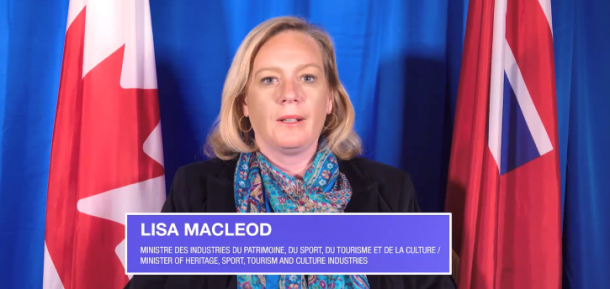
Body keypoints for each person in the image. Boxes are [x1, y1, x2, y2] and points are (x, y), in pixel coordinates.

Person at [125, 16, 455, 289]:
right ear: (244, 103)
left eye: (307, 78)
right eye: (269, 80)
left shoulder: (392, 192)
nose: (290, 94)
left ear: (330, 100)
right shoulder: (193, 192)